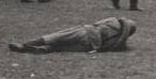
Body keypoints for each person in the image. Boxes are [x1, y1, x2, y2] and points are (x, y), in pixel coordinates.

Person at [8, 17, 137, 54]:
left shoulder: (112, 21)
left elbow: (96, 23)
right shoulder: (117, 42)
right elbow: (107, 48)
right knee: (61, 47)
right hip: (91, 46)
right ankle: (44, 49)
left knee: (56, 36)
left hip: (85, 31)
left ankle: (25, 45)